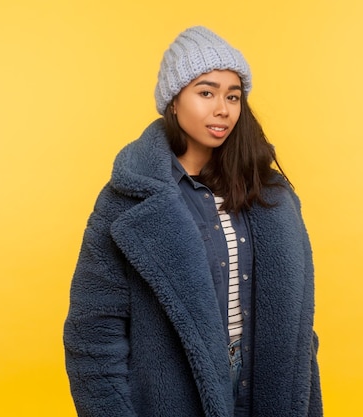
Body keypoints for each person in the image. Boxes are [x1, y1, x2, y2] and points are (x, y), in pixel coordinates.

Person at [63, 26, 322, 417]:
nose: (223, 109)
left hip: (262, 384)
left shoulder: (268, 194)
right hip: (175, 395)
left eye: (233, 96)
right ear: (173, 101)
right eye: (206, 92)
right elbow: (93, 333)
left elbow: (300, 330)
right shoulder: (129, 200)